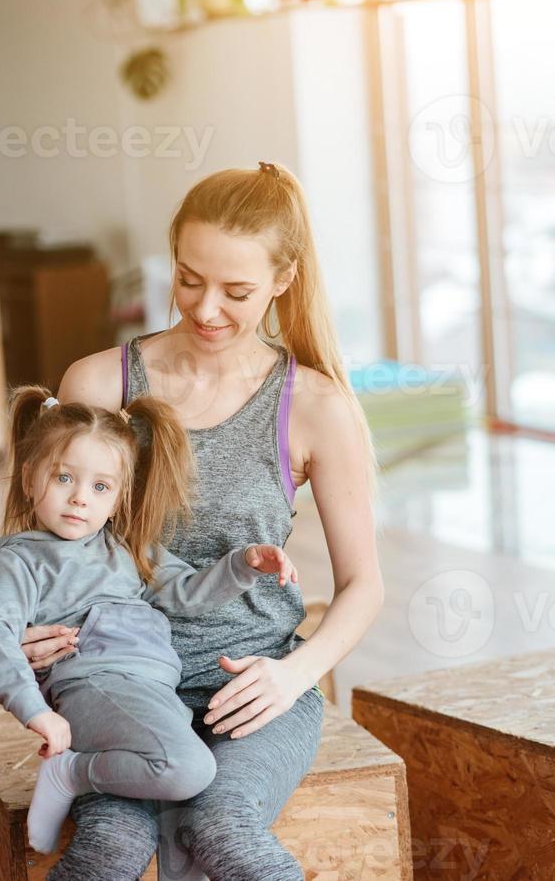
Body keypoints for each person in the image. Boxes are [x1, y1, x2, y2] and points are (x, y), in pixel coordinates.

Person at [21, 161, 385, 881]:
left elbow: (364, 584)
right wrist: (32, 627)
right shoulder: (98, 385)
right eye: (190, 278)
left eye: (237, 290)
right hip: (113, 675)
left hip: (252, 679)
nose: (206, 307)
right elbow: (47, 543)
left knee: (217, 826)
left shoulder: (313, 407)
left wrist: (293, 674)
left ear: (282, 280)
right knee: (111, 846)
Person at [0, 386, 299, 855]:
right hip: (94, 684)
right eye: (64, 478)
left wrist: (245, 563)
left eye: (100, 486)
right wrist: (34, 708)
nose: (80, 498)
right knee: (190, 770)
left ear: (119, 497)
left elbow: (185, 594)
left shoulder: (126, 547)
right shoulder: (21, 561)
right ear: (28, 478)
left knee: (190, 806)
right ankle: (70, 773)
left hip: (155, 689)